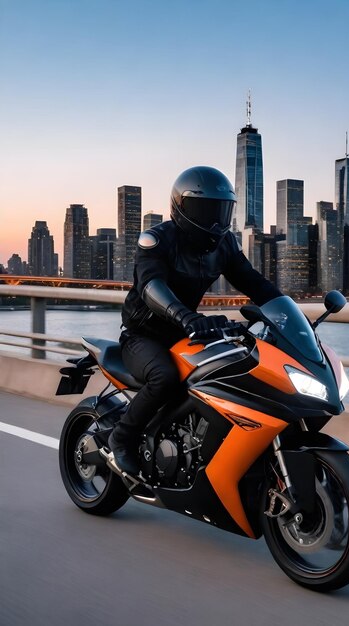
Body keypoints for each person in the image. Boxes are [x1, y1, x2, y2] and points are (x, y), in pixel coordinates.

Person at [109, 165, 282, 474]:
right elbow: (151, 287)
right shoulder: (157, 240)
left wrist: (288, 316)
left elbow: (254, 283)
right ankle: (121, 438)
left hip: (186, 332)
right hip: (144, 335)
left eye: (221, 211)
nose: (215, 221)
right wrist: (185, 316)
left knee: (230, 373)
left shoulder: (225, 245)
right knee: (164, 377)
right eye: (205, 211)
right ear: (182, 208)